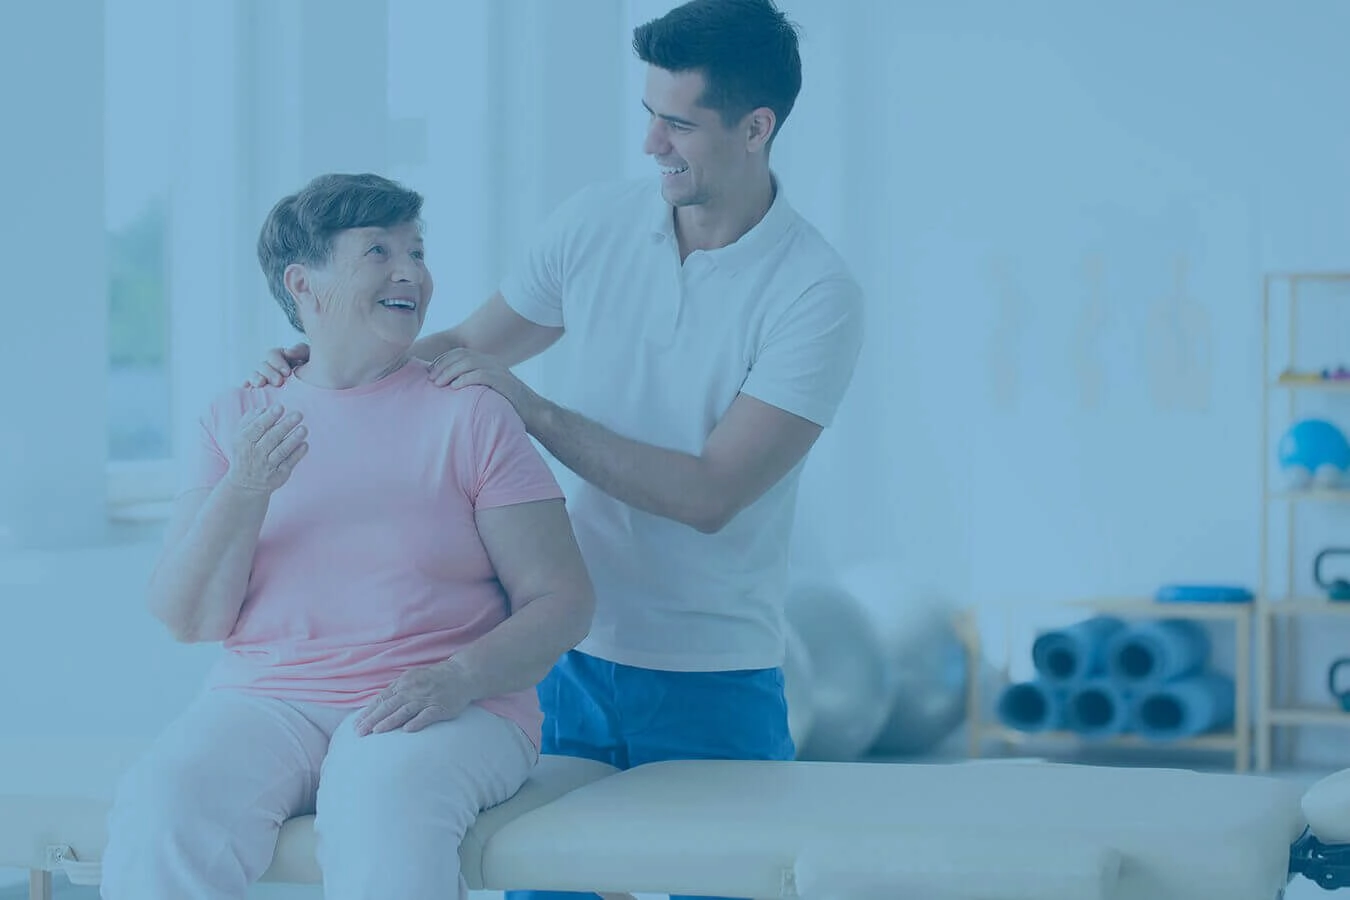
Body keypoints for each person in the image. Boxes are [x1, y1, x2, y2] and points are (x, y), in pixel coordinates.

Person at [249, 2, 863, 898]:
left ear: (755, 128)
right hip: (560, 661)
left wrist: (535, 411)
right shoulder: (597, 225)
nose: (652, 142)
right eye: (648, 113)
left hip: (712, 674)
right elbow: (461, 345)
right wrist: (321, 361)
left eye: (679, 123)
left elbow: (710, 494)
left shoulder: (815, 291)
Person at [101, 172, 596, 900]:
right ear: (304, 284)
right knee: (167, 799)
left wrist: (457, 678)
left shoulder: (469, 414)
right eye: (378, 251)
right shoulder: (239, 415)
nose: (411, 272)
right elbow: (188, 617)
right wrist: (245, 488)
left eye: (416, 250)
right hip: (266, 699)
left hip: (446, 703)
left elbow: (563, 600)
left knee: (378, 794)